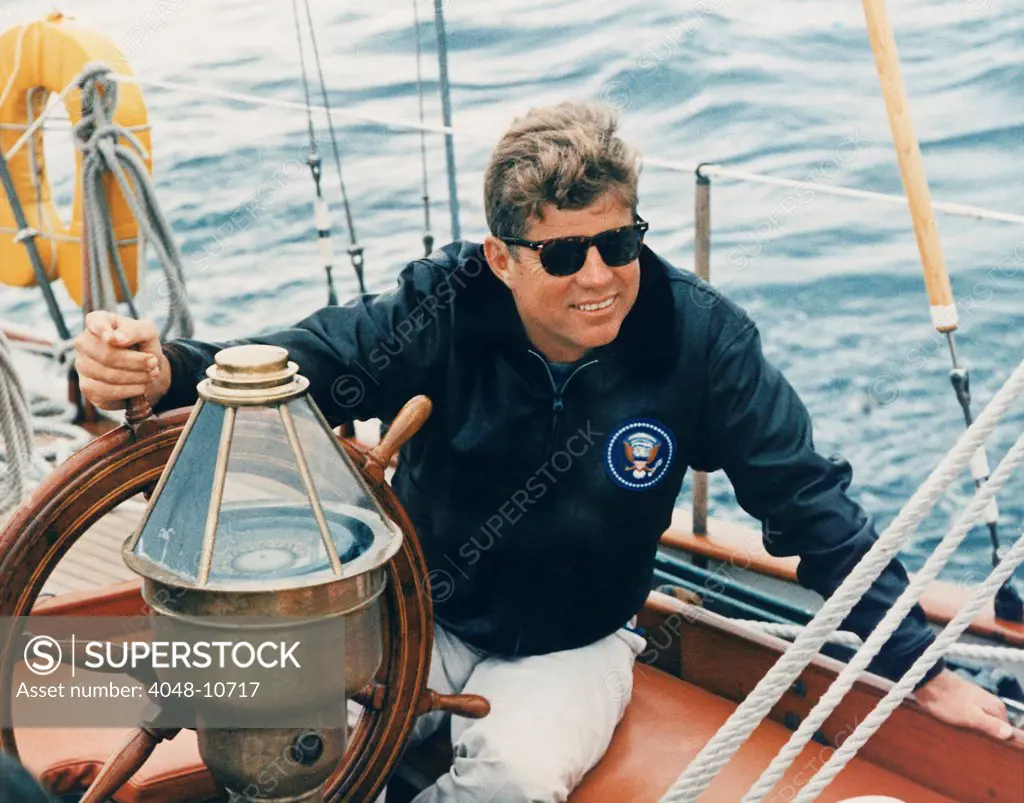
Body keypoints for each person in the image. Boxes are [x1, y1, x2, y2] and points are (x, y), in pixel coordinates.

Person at [74, 102, 1014, 802]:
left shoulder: (702, 342)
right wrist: (160, 369)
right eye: (564, 256)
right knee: (284, 736)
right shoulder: (439, 308)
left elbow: (809, 503)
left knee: (511, 782)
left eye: (620, 242)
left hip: (575, 642)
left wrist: (920, 669)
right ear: (501, 257)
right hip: (419, 618)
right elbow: (293, 371)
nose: (600, 277)